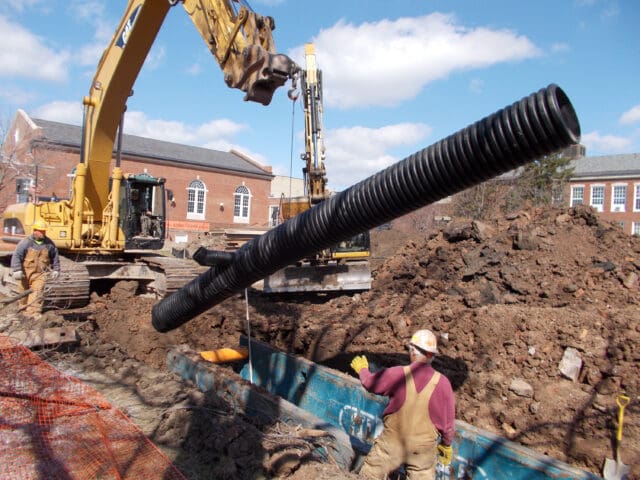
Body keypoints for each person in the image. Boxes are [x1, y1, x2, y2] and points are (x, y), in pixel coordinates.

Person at [351, 329, 455, 479]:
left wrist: (362, 370)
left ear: (412, 351)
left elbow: (370, 383)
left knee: (369, 476)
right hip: (422, 452)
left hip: (392, 445)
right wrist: (446, 445)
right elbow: (448, 424)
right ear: (432, 355)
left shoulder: (398, 374)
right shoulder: (443, 384)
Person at [10, 220, 61, 319]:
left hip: (40, 274)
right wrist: (17, 270)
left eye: (44, 231)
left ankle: (34, 314)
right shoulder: (26, 242)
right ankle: (22, 312)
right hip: (25, 272)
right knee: (23, 293)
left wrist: (56, 269)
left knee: (38, 292)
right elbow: (17, 256)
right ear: (35, 231)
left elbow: (55, 257)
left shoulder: (49, 244)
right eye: (41, 231)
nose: (43, 233)